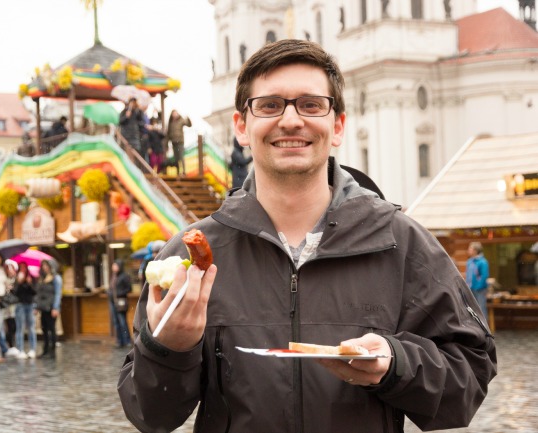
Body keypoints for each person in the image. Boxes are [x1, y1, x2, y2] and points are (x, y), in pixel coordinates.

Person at [118, 39, 497, 433]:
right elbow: (149, 414)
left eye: (311, 104)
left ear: (337, 126)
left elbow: (469, 379)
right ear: (241, 127)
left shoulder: (401, 243)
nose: (291, 120)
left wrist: (395, 364)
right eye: (270, 105)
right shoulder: (193, 254)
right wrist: (169, 347)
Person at [35, 260, 62, 359]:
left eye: (47, 265)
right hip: (43, 307)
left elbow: (58, 294)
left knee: (52, 329)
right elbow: (39, 294)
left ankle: (52, 351)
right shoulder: (42, 279)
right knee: (44, 329)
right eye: (43, 265)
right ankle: (45, 350)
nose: (45, 267)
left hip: (51, 307)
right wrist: (37, 306)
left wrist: (55, 307)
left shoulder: (56, 278)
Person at [13, 262, 37, 359]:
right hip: (20, 305)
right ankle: (20, 349)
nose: (23, 269)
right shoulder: (16, 279)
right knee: (20, 328)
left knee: (31, 327)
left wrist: (30, 283)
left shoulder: (31, 278)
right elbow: (14, 293)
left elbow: (35, 292)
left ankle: (32, 349)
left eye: (24, 267)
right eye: (21, 267)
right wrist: (18, 283)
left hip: (30, 305)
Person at [108, 259, 132, 348]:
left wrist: (119, 293)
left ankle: (127, 341)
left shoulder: (124, 276)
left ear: (119, 266)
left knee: (122, 322)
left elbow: (129, 289)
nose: (113, 267)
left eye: (115, 265)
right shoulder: (114, 276)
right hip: (112, 302)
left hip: (121, 302)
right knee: (116, 322)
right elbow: (111, 288)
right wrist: (109, 292)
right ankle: (119, 341)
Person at [466, 241, 490, 320]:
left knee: (481, 308)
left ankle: (484, 329)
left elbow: (484, 276)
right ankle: (475, 328)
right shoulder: (469, 262)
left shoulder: (483, 262)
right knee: (471, 308)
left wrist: (478, 286)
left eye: (470, 249)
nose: (468, 250)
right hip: (470, 289)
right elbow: (468, 276)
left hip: (480, 290)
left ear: (475, 251)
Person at [166, 109, 192, 175]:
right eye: (173, 113)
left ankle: (183, 172)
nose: (174, 114)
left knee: (181, 157)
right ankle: (178, 172)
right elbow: (168, 133)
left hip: (180, 142)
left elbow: (189, 124)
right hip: (173, 142)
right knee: (176, 158)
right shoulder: (170, 122)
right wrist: (167, 142)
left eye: (175, 113)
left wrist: (188, 118)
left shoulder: (181, 120)